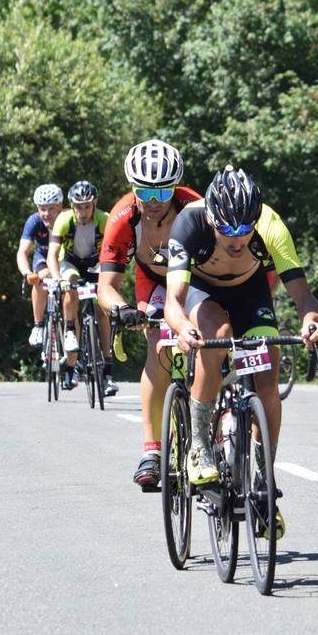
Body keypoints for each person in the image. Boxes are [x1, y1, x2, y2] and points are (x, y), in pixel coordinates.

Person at [165, 166, 318, 536]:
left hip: (250, 292)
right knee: (216, 333)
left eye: (245, 229)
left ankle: (262, 477)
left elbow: (302, 295)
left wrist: (311, 323)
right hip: (201, 292)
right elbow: (173, 300)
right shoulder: (189, 225)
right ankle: (201, 446)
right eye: (227, 230)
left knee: (267, 375)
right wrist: (183, 328)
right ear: (211, 218)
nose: (238, 239)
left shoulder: (271, 226)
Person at [97, 139, 202, 491]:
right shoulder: (122, 217)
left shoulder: (195, 207)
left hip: (196, 280)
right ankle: (152, 451)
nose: (154, 202)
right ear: (132, 188)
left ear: (177, 187)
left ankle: (211, 432)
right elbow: (105, 286)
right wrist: (123, 309)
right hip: (152, 282)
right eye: (145, 191)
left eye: (163, 191)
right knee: (157, 348)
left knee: (208, 340)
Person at [47, 180, 114, 393]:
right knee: (71, 287)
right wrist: (58, 278)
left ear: (94, 204)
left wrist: (110, 281)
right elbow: (52, 254)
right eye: (78, 206)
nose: (83, 211)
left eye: (87, 206)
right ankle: (69, 330)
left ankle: (108, 372)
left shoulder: (105, 219)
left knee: (103, 310)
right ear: (72, 205)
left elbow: (114, 253)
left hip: (96, 264)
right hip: (70, 262)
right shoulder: (64, 219)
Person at [17, 184, 62, 348]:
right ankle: (38, 325)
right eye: (42, 209)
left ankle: (71, 333)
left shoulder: (67, 218)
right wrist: (27, 273)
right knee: (38, 281)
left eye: (51, 208)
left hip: (64, 257)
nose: (46, 213)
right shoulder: (34, 221)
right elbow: (22, 251)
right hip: (42, 256)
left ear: (60, 206)